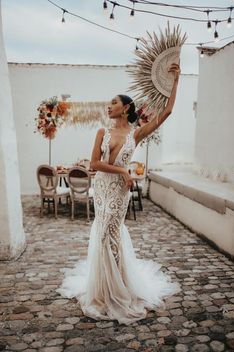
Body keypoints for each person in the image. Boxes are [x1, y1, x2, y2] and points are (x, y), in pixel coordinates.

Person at [57, 63, 181, 325]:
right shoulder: (102, 132)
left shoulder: (136, 134)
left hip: (118, 193)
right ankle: (105, 288)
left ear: (125, 108)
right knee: (102, 234)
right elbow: (94, 164)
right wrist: (123, 172)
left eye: (113, 103)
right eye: (109, 103)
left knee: (109, 233)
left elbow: (168, 111)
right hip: (102, 187)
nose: (108, 106)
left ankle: (117, 289)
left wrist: (176, 80)